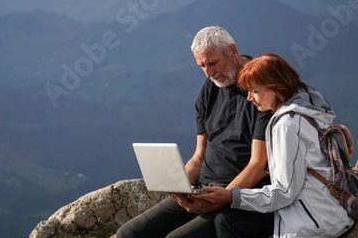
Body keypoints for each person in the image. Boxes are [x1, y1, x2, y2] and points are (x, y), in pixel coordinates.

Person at [116, 26, 274, 238]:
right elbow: (199, 155)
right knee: (129, 233)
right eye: (202, 66)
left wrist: (224, 197)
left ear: (233, 51)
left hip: (238, 195)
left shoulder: (261, 91)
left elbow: (258, 164)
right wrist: (179, 187)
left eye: (212, 63)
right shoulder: (210, 89)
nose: (209, 73)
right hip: (204, 189)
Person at [200, 53, 355, 238]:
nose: (249, 98)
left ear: (276, 88)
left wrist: (232, 196)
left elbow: (284, 191)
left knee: (226, 222)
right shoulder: (307, 107)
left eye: (255, 91)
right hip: (325, 209)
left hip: (312, 222)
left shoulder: (287, 126)